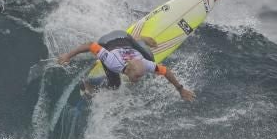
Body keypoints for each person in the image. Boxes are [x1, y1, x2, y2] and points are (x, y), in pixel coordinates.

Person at [57, 30, 196, 101]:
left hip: (125, 36)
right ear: (128, 70)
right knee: (114, 85)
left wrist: (180, 89)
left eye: (140, 76)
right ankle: (88, 84)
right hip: (106, 41)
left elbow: (166, 71)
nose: (138, 79)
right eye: (136, 76)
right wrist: (68, 56)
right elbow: (89, 44)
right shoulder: (113, 62)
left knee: (150, 56)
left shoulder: (145, 64)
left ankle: (140, 40)